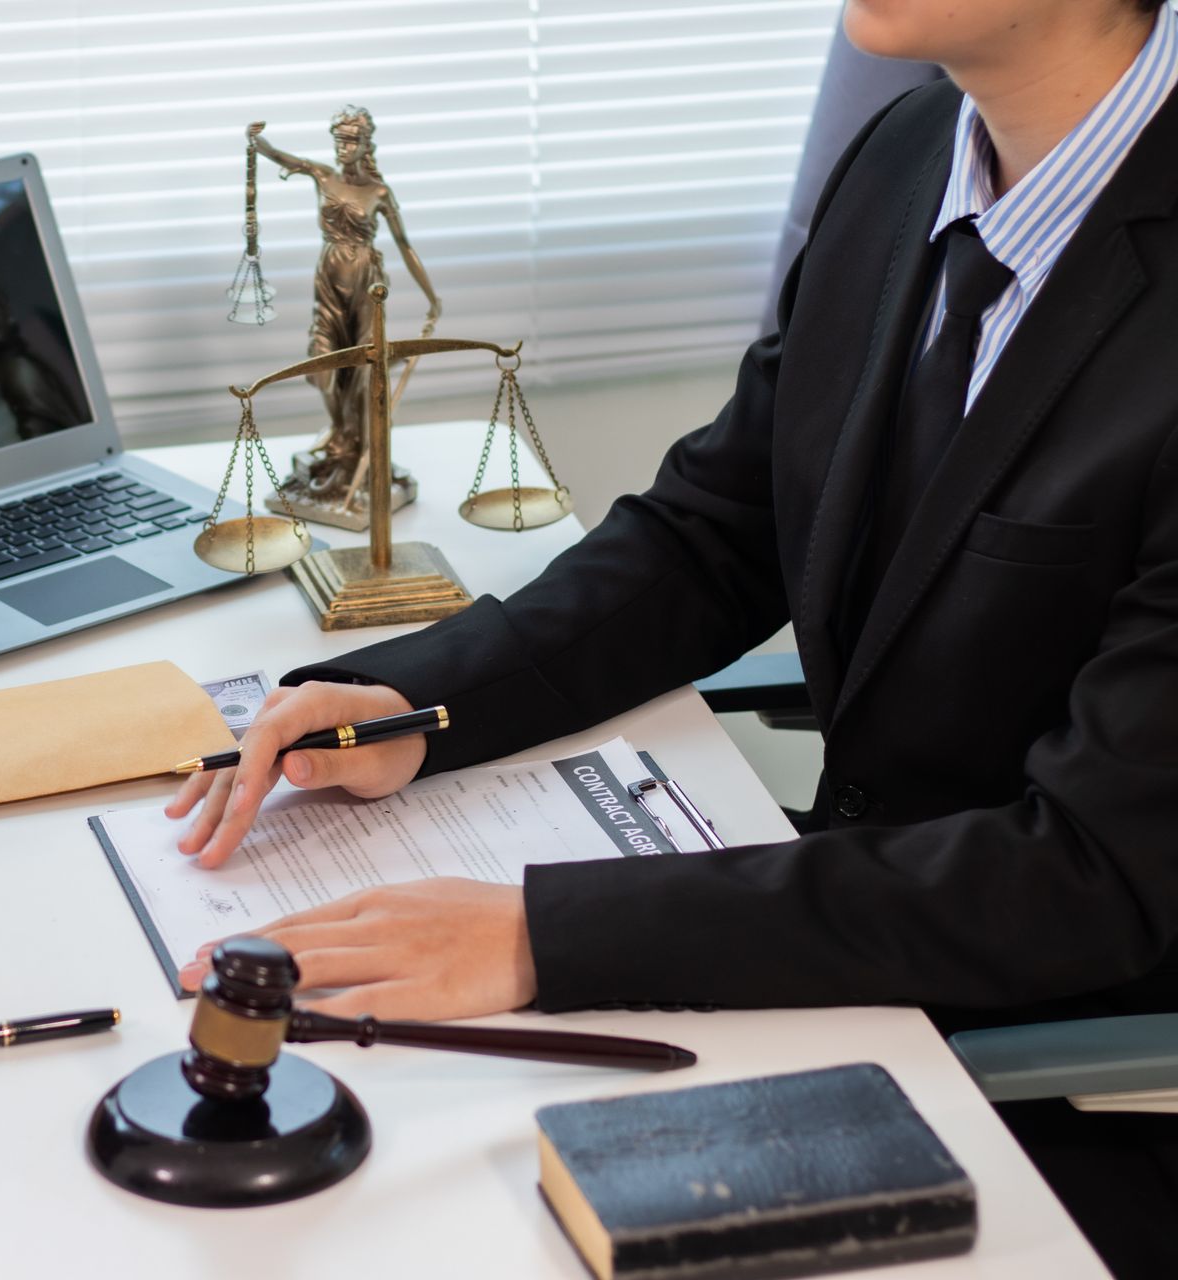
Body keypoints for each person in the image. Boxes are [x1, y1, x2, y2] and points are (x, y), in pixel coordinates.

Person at [170, 1, 1178, 1274]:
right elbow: (724, 526)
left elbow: (1088, 874)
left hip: (1068, 1025)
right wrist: (414, 700)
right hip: (872, 914)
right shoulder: (914, 148)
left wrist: (546, 933)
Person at [248, 108, 441, 505]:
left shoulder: (379, 193)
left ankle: (355, 447)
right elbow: (287, 160)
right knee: (322, 365)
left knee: (361, 367)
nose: (343, 147)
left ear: (366, 145)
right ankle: (341, 434)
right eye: (338, 140)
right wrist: (258, 143)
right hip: (329, 278)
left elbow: (405, 246)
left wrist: (432, 297)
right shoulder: (323, 175)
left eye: (350, 140)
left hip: (367, 284)